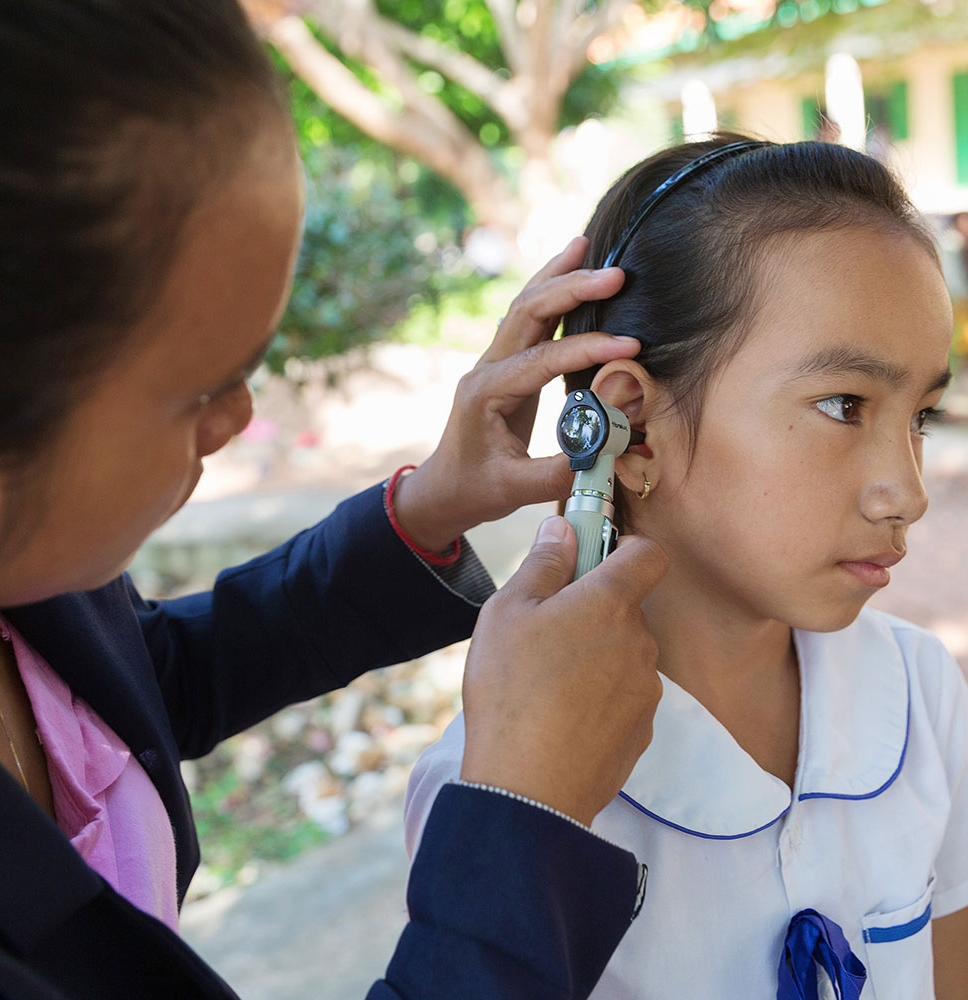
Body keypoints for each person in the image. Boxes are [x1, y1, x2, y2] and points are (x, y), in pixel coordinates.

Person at [0, 2, 669, 998]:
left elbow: (133, 690)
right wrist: (522, 818)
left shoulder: (23, 582)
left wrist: (423, 511)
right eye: (204, 387)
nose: (238, 417)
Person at [405, 134, 968, 999]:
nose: (907, 493)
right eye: (843, 404)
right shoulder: (497, 788)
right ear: (633, 427)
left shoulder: (924, 695)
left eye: (921, 415)